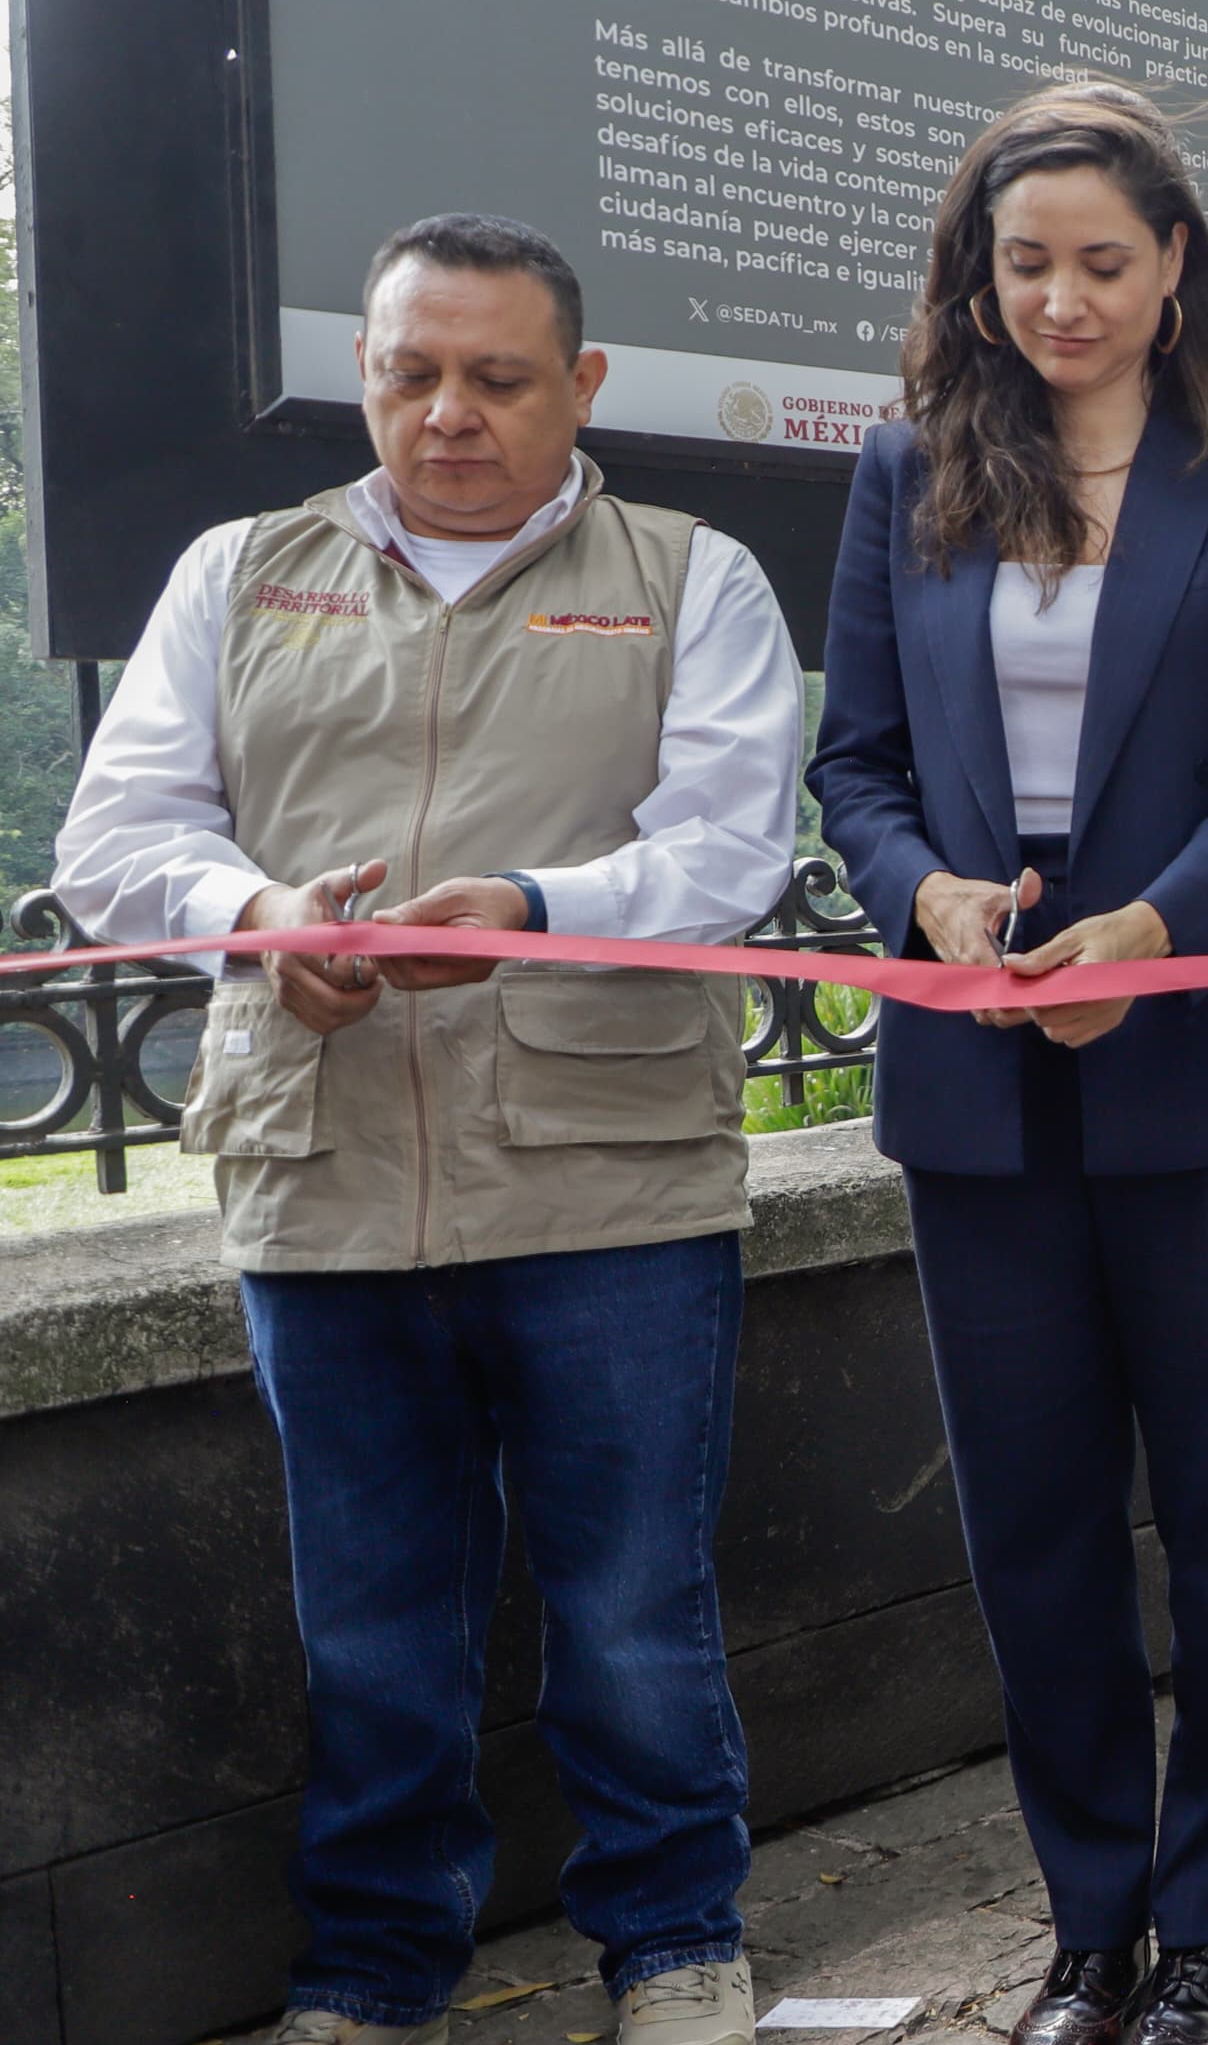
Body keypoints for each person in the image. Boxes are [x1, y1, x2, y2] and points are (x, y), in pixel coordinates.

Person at [52, 214, 800, 2045]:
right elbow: (115, 838)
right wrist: (258, 917)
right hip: (325, 1178)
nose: (450, 412)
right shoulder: (243, 570)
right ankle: (377, 1971)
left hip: (608, 1178)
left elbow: (732, 851)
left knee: (632, 1611)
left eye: (497, 377)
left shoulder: (693, 576)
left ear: (582, 385)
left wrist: (536, 908)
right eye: (413, 373)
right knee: (372, 1620)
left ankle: (678, 1947)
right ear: (365, 373)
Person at [806, 83, 1208, 2045]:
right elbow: (855, 762)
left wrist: (1154, 935)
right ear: (977, 275)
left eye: (1103, 261)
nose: (1063, 299)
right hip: (980, 1079)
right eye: (1025, 262)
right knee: (1033, 1529)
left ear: (1174, 263)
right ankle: (1094, 1927)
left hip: (1203, 1069)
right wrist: (929, 897)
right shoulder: (906, 470)